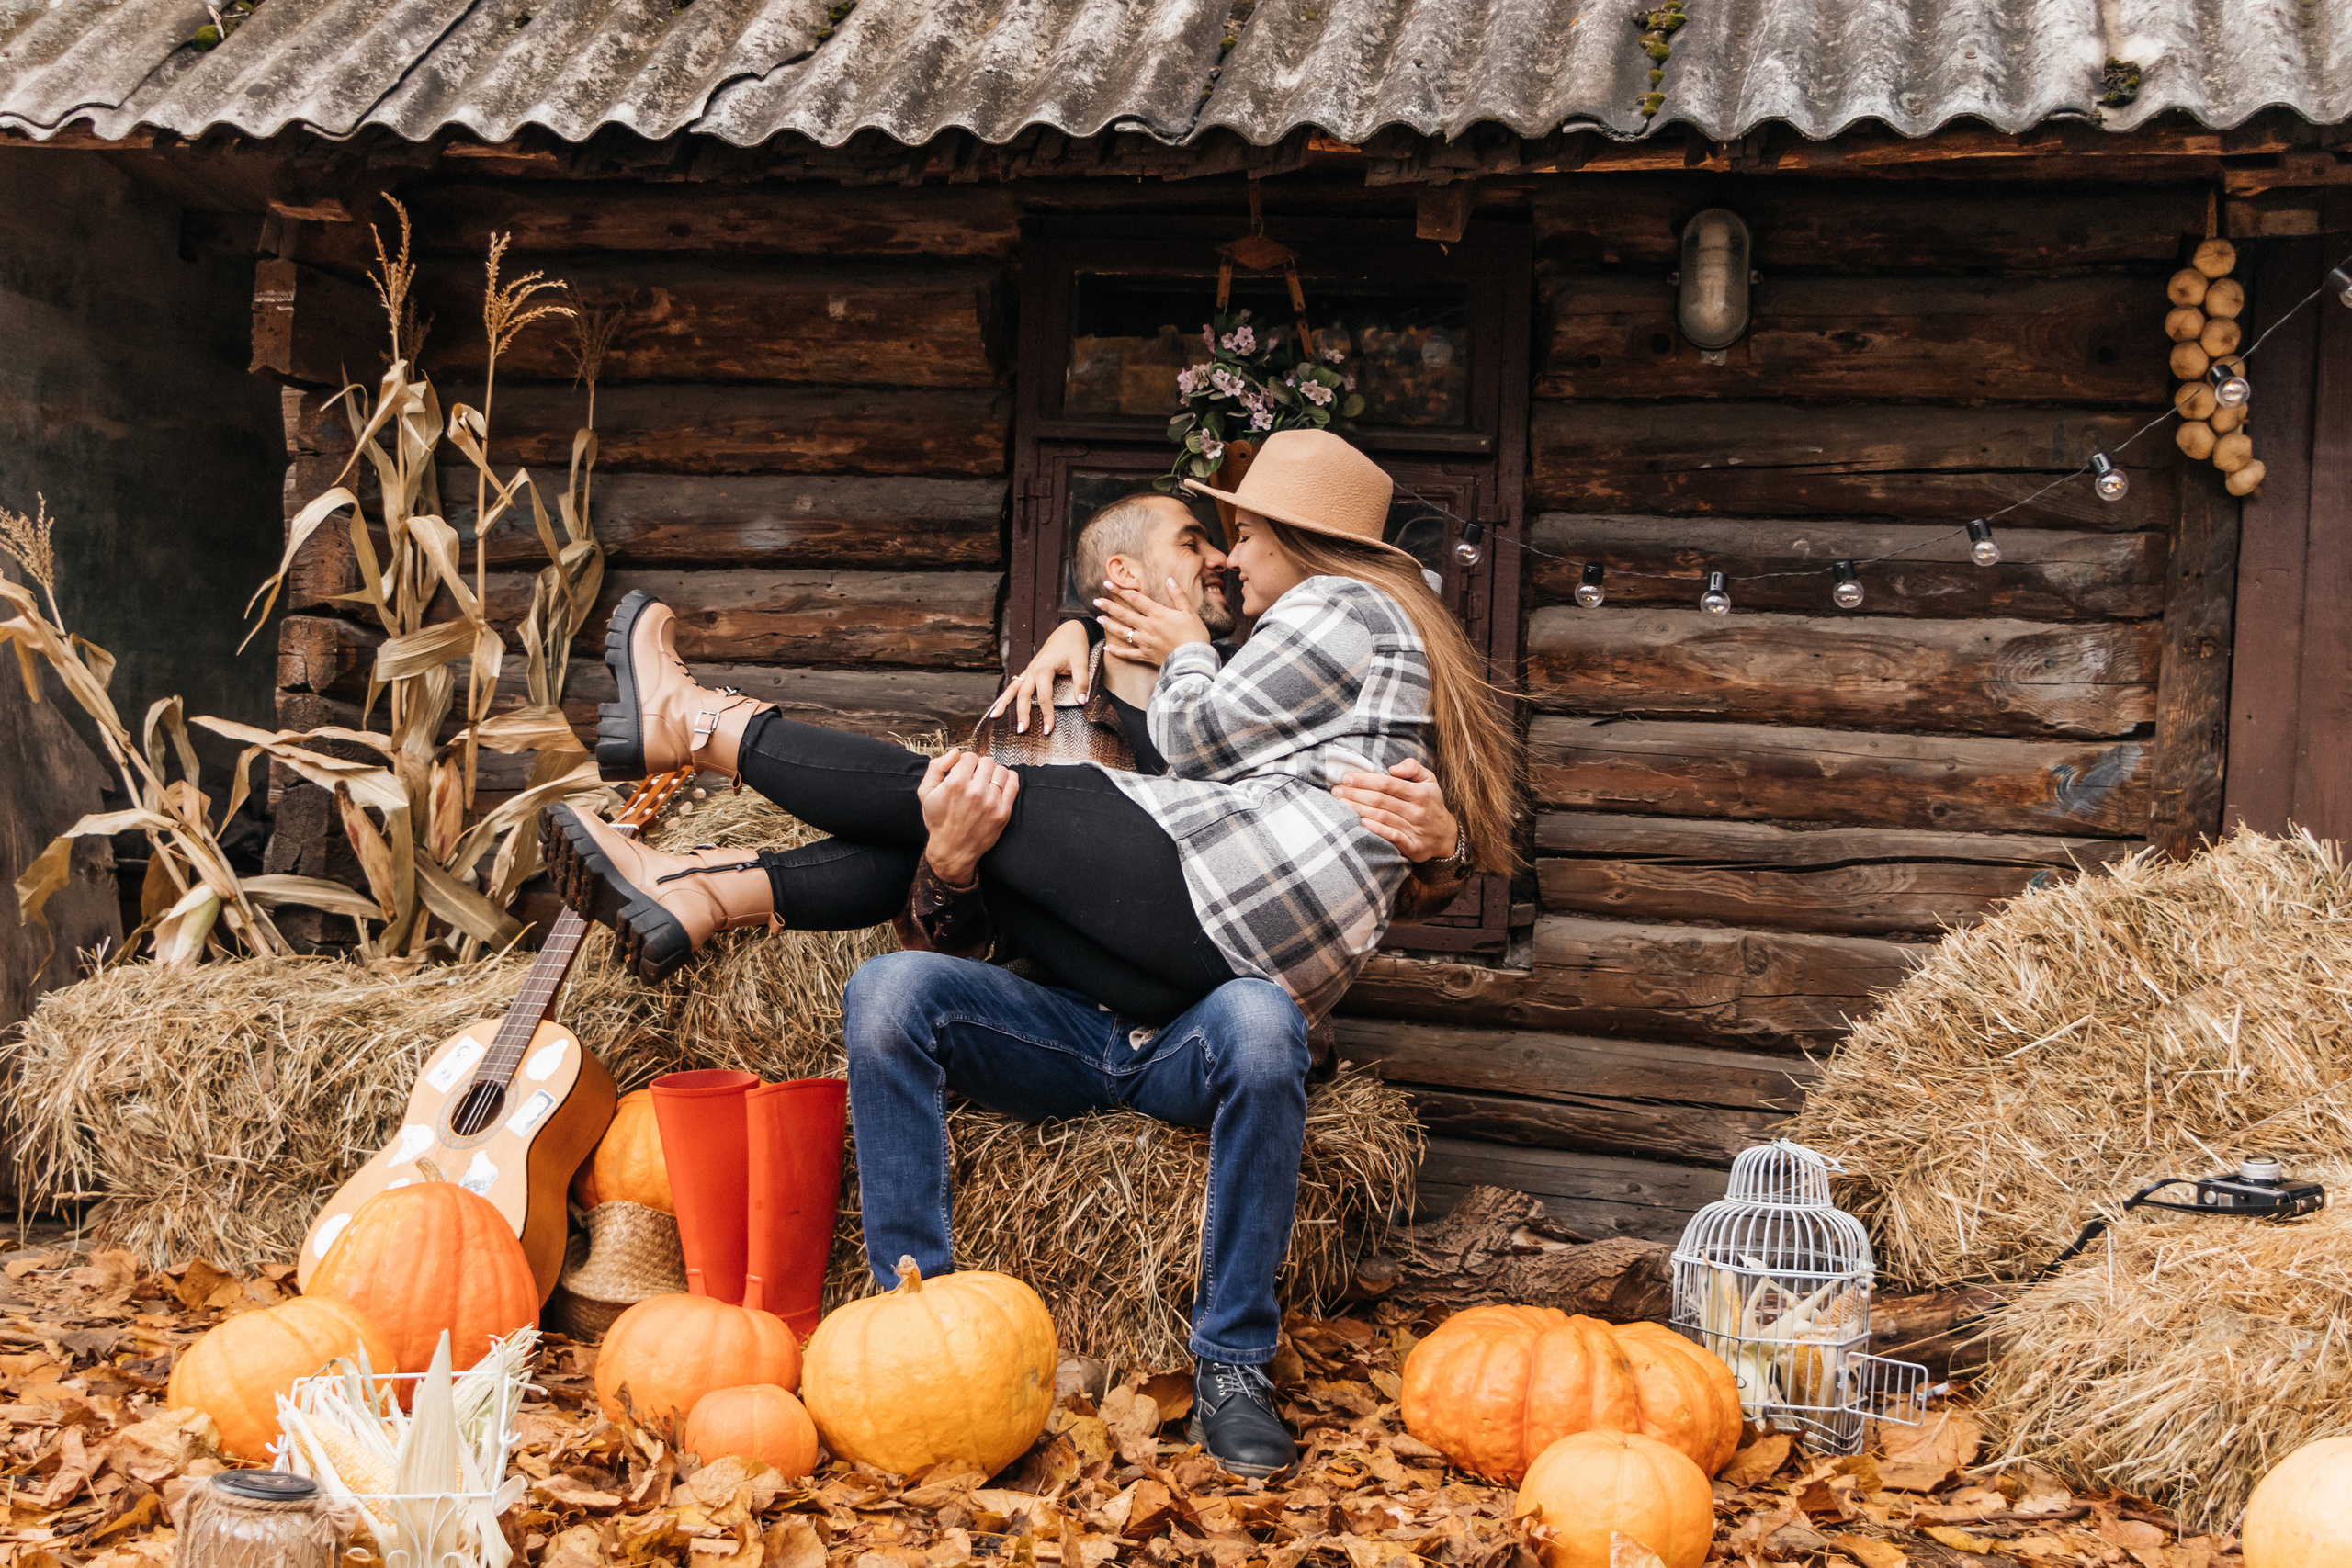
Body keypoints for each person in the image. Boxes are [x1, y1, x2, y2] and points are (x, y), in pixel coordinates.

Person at [544, 429, 1520, 1472]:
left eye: (1234, 538)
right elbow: (943, 920)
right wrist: (956, 866)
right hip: (1079, 1015)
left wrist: (1443, 837)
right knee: (894, 977)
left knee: (1246, 1009)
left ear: (1293, 541)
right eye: (1204, 543)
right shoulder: (1057, 699)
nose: (1225, 564)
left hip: (1206, 995)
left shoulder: (1294, 634)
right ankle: (906, 1316)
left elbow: (1233, 757)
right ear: (1119, 582)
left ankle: (698, 741)